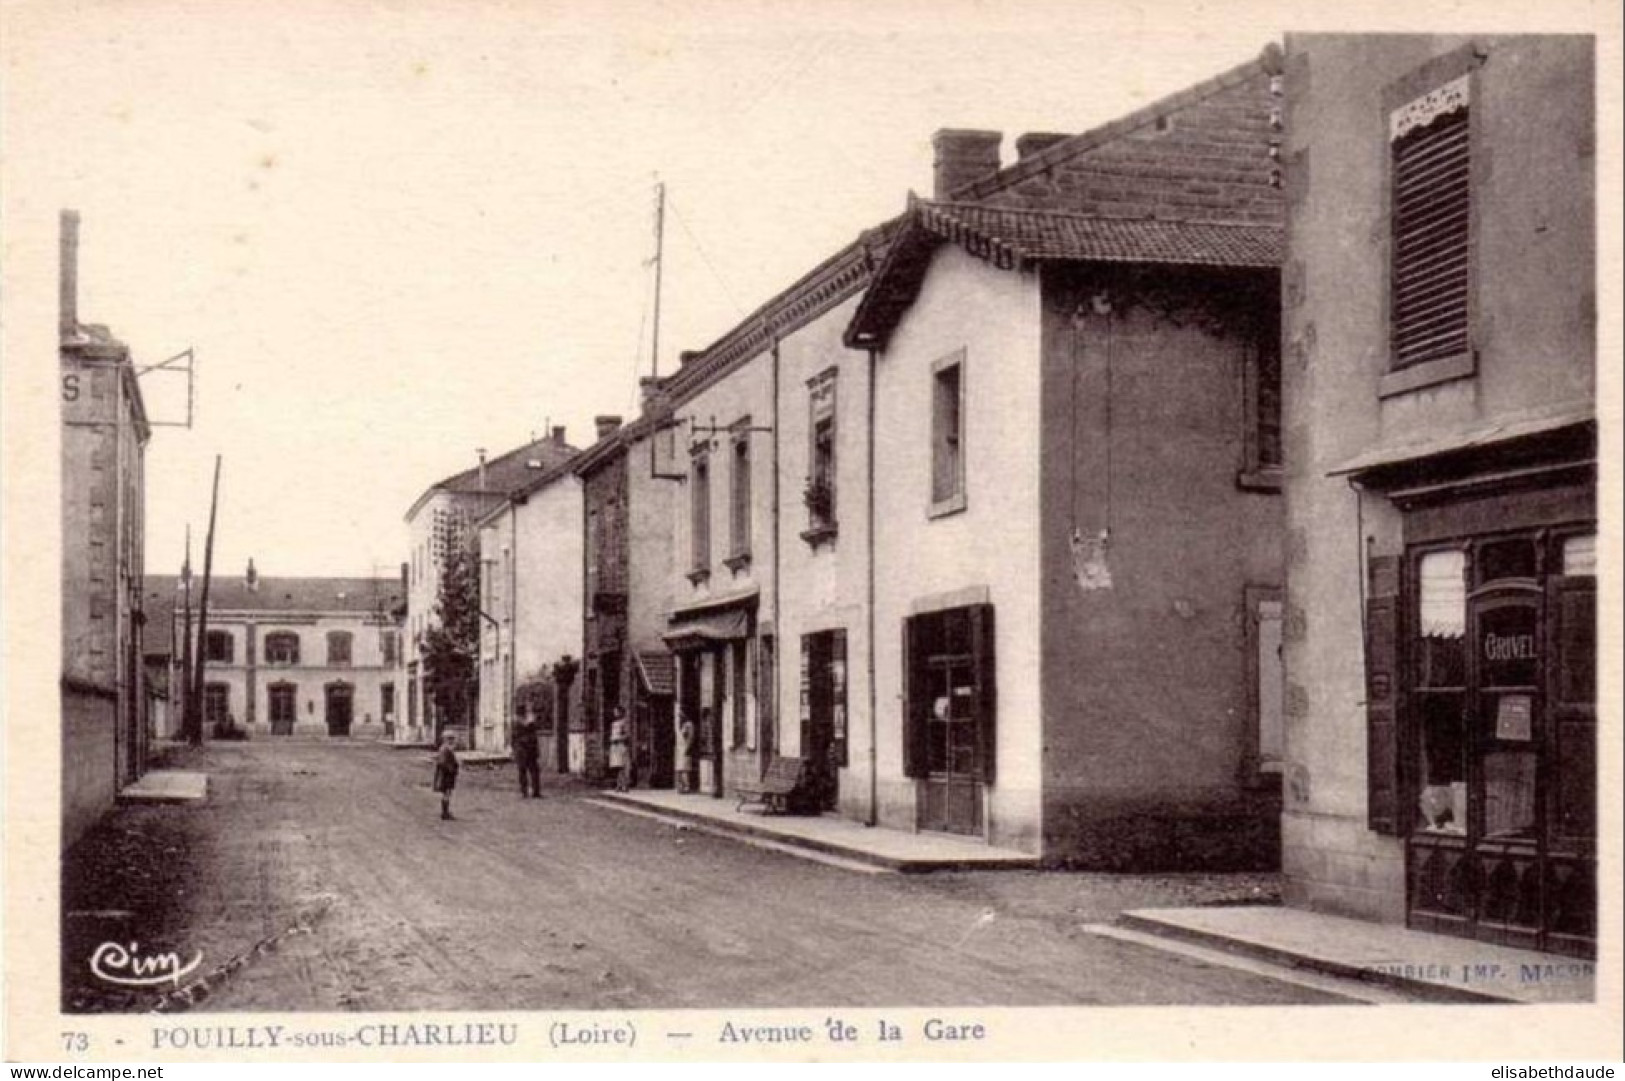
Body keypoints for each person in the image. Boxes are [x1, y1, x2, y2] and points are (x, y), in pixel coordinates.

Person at [432, 732, 460, 820]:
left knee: (447, 793)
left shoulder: (446, 749)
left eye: (452, 739)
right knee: (446, 793)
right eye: (450, 739)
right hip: (446, 775)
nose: (452, 741)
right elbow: (442, 762)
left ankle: (445, 812)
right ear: (446, 739)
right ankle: (445, 813)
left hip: (447, 775)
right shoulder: (445, 749)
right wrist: (451, 769)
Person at [512, 714, 541, 798]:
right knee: (525, 772)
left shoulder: (519, 726)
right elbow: (515, 740)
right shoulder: (519, 727)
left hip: (528, 753)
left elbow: (534, 740)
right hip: (524, 752)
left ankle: (531, 791)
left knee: (532, 772)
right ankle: (527, 792)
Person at [607, 708, 631, 792]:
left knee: (622, 766)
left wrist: (619, 739)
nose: (615, 713)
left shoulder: (624, 722)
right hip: (614, 746)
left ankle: (624, 784)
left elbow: (627, 735)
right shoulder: (613, 724)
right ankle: (619, 784)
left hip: (621, 745)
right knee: (617, 766)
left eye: (616, 712)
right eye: (614, 712)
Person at [675, 713, 695, 794]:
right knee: (679, 769)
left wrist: (688, 747)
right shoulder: (681, 727)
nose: (680, 719)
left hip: (685, 749)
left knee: (684, 769)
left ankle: (687, 786)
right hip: (680, 749)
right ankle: (681, 786)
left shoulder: (688, 725)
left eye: (681, 717)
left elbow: (690, 737)